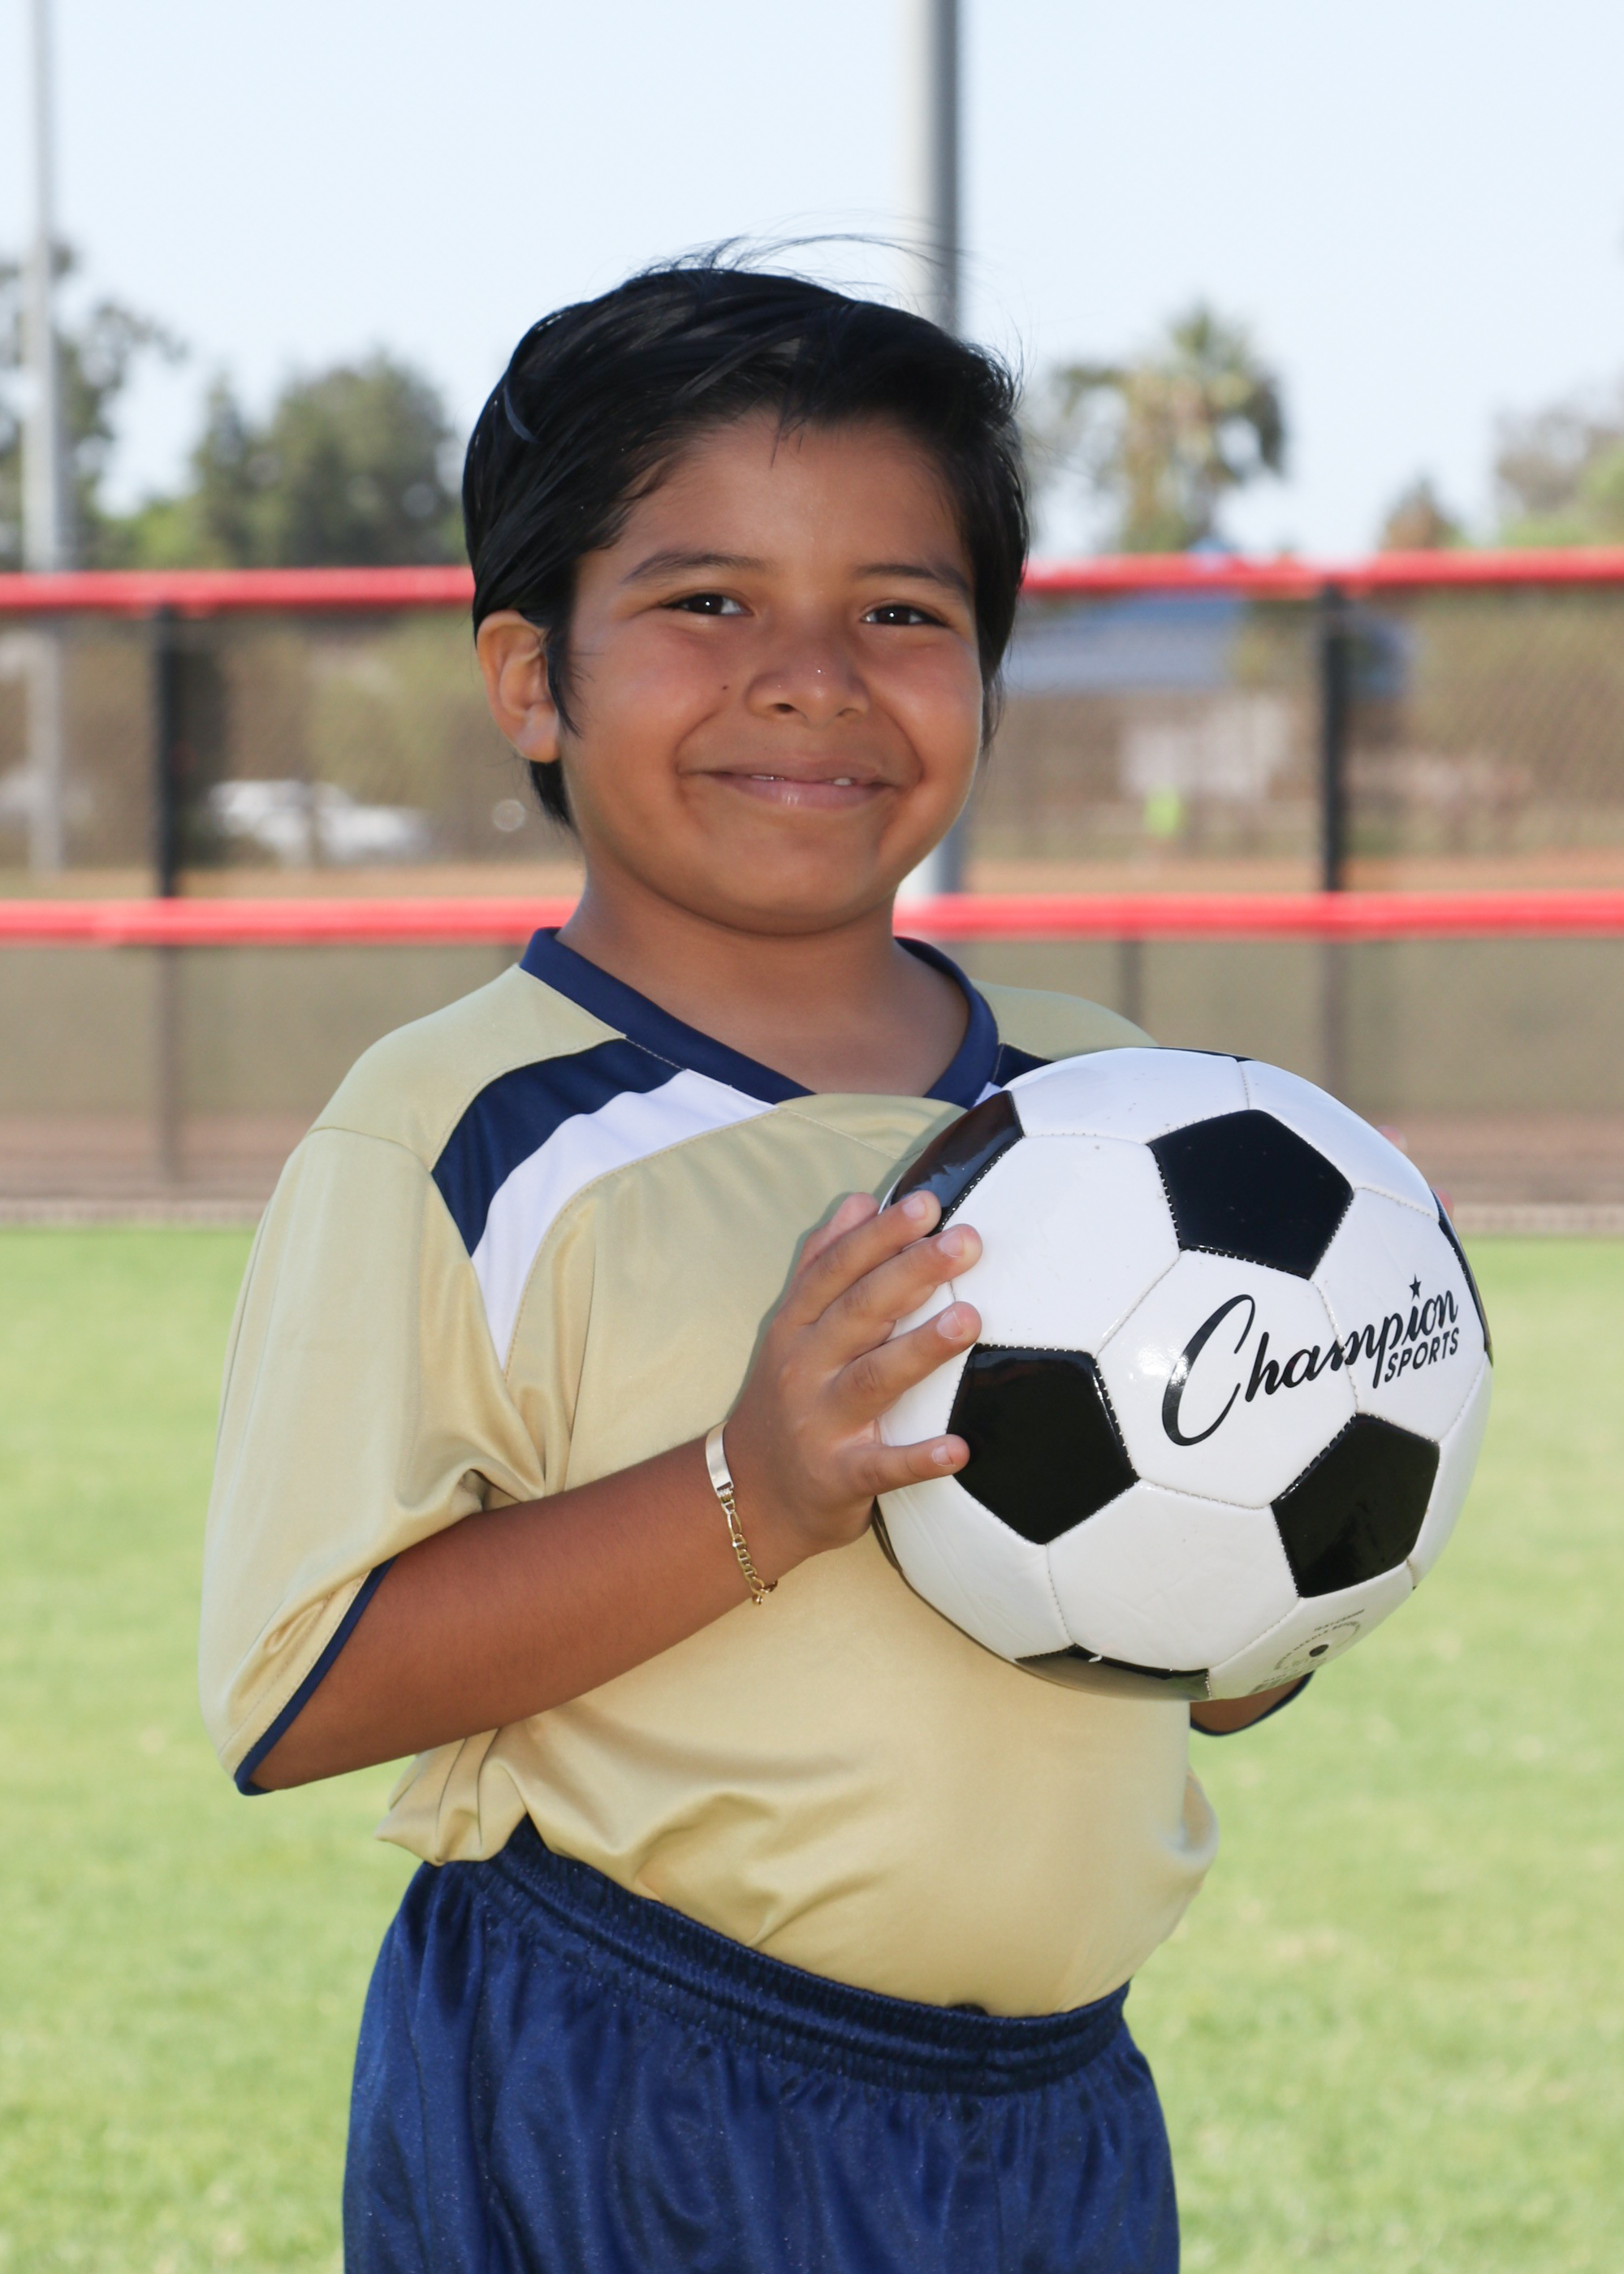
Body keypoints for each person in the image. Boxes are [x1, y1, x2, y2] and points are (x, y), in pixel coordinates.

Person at [199, 260, 1304, 2274]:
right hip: (634, 2083)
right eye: (708, 601)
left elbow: (1209, 1673)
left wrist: (1284, 1515)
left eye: (901, 611)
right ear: (531, 678)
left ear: (986, 670)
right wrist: (750, 1489)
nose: (811, 676)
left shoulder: (1115, 1102)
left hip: (1053, 2111)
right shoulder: (454, 1130)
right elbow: (300, 1685)